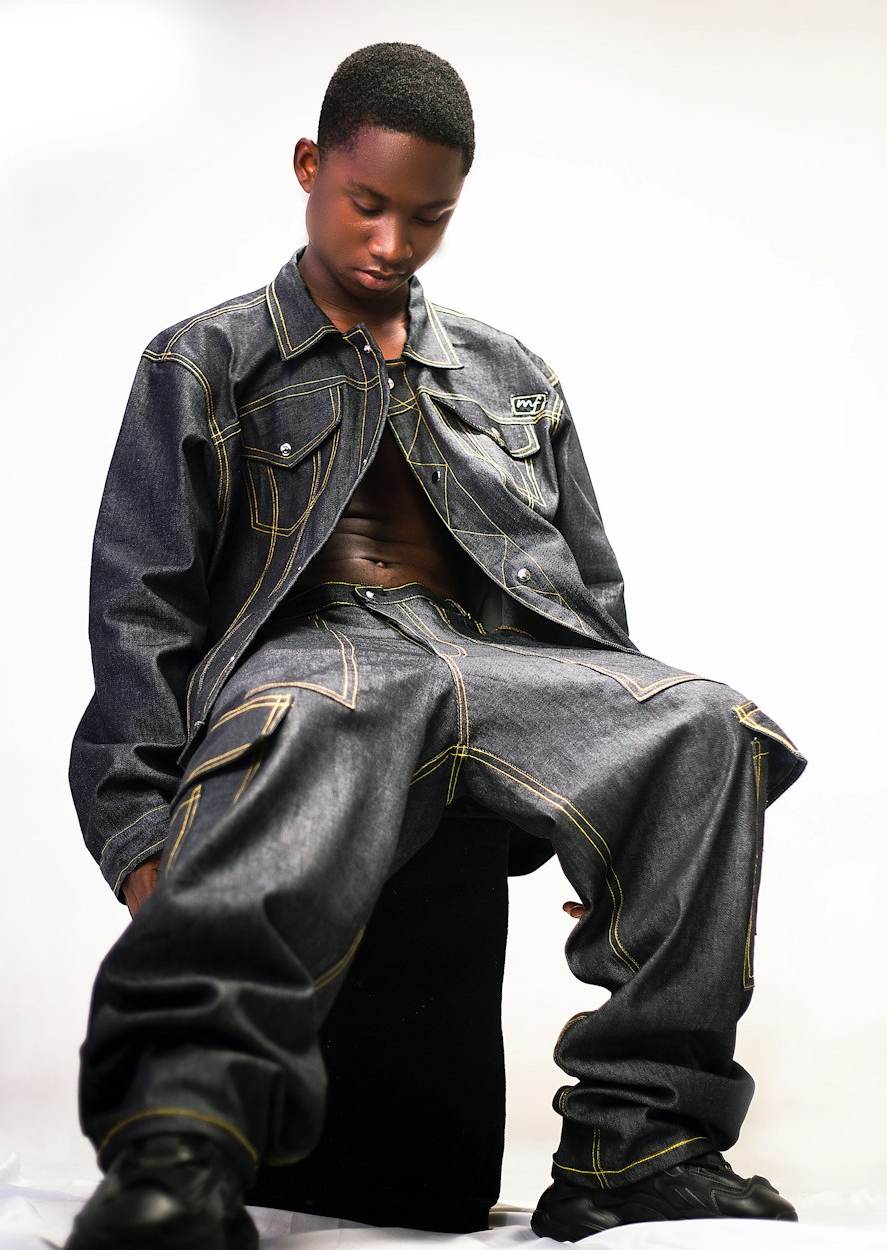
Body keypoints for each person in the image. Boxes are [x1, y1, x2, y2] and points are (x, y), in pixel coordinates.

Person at [65, 42, 806, 1250]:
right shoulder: (202, 359)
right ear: (309, 167)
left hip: (495, 665)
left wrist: (608, 789)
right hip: (318, 651)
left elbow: (585, 593)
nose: (391, 245)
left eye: (429, 217)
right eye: (366, 204)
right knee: (316, 715)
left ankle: (639, 1143)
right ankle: (179, 1138)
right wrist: (138, 829)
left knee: (708, 722)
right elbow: (139, 605)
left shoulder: (512, 373)